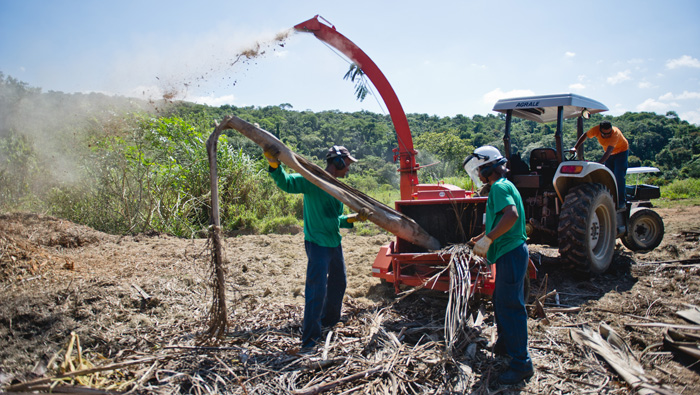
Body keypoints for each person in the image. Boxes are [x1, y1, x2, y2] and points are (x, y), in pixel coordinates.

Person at [264, 145, 369, 353]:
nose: (348, 168)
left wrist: (354, 218)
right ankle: (309, 341)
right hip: (317, 243)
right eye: (347, 164)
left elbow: (335, 219)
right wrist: (274, 164)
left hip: (333, 242)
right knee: (317, 290)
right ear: (338, 162)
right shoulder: (313, 180)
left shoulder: (338, 187)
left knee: (339, 283)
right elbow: (286, 183)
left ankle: (328, 323)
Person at [463, 145, 534, 385]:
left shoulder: (499, 187)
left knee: (511, 306)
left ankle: (521, 364)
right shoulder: (506, 185)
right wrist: (483, 236)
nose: (479, 174)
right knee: (501, 301)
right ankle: (505, 346)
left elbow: (511, 216)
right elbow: (499, 219)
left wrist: (490, 238)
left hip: (510, 252)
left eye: (480, 169)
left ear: (488, 167)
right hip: (508, 251)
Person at [574, 121, 629, 209]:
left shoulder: (615, 134)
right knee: (607, 177)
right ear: (600, 130)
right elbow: (585, 135)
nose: (607, 136)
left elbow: (608, 152)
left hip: (621, 153)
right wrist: (575, 147)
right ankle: (610, 199)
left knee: (619, 175)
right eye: (604, 134)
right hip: (610, 154)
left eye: (609, 133)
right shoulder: (595, 130)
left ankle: (621, 201)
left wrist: (598, 165)